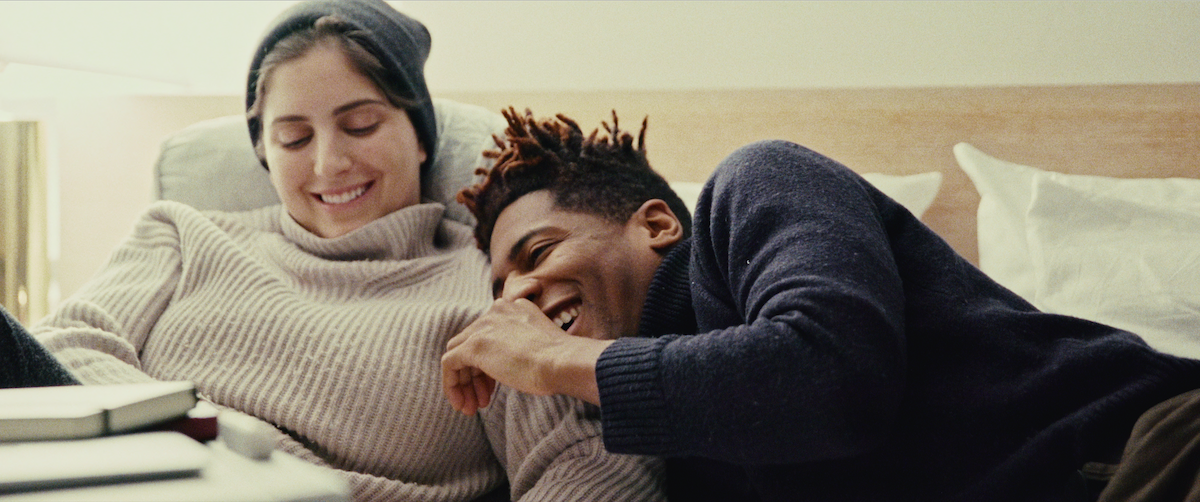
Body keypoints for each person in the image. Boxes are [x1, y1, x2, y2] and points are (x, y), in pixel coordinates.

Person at [22, 2, 663, 500]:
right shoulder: (182, 233)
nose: (330, 164)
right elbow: (64, 348)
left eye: (361, 125)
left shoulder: (491, 280)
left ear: (419, 137)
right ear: (263, 154)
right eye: (294, 139)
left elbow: (589, 460)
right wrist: (216, 445)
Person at [440, 108, 1200, 501]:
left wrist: (554, 358)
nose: (520, 297)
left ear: (658, 223)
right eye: (502, 288)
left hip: (1151, 451)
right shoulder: (669, 446)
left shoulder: (759, 185)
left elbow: (831, 380)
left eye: (536, 255)